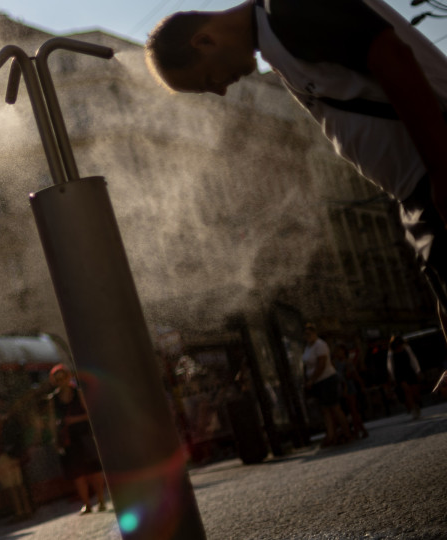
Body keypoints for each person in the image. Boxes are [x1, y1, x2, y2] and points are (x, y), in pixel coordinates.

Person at [145, 0, 447, 344]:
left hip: (431, 176)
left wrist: (440, 170)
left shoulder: (286, 11)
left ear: (204, 42)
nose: (220, 90)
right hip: (418, 189)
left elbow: (392, 57)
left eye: (207, 80)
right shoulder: (278, 42)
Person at [47, 364, 107, 515]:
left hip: (83, 434)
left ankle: (101, 500)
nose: (61, 381)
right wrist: (55, 438)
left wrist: (74, 419)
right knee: (77, 473)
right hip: (68, 439)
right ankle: (87, 503)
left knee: (93, 470)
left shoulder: (78, 393)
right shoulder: (52, 399)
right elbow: (52, 421)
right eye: (57, 379)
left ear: (68, 377)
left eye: (63, 377)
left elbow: (90, 414)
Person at [0, 394, 33, 522]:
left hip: (1, 456)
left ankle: (19, 512)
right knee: (19, 484)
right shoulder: (4, 418)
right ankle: (27, 509)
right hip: (13, 453)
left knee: (11, 487)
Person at [301, 324, 352, 448]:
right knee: (325, 410)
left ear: (314, 333)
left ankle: (347, 433)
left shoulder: (320, 345)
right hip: (318, 382)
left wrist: (312, 380)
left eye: (309, 334)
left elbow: (321, 364)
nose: (307, 336)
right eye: (305, 334)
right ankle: (331, 435)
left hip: (327, 379)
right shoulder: (308, 347)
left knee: (335, 407)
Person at [333, 344, 369, 439]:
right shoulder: (336, 364)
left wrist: (361, 385)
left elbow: (353, 375)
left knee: (354, 411)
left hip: (349, 387)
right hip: (342, 388)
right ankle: (360, 430)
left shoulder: (347, 362)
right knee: (351, 411)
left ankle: (360, 430)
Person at [387, 336, 424, 420]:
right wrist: (393, 377)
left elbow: (412, 359)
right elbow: (390, 365)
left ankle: (416, 404)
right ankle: (413, 409)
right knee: (407, 391)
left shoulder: (406, 348)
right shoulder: (391, 352)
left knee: (415, 391)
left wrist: (417, 370)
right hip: (399, 374)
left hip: (409, 371)